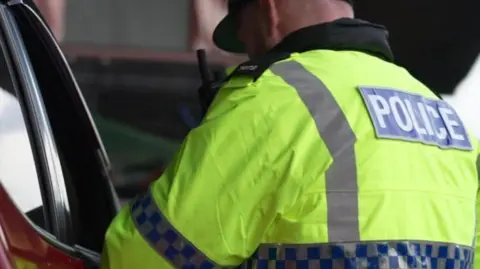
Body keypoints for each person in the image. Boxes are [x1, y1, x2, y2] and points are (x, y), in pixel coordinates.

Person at [101, 0, 480, 268]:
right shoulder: (443, 118)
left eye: (245, 39)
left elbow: (144, 257)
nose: (247, 53)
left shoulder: (271, 101)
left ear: (268, 11)